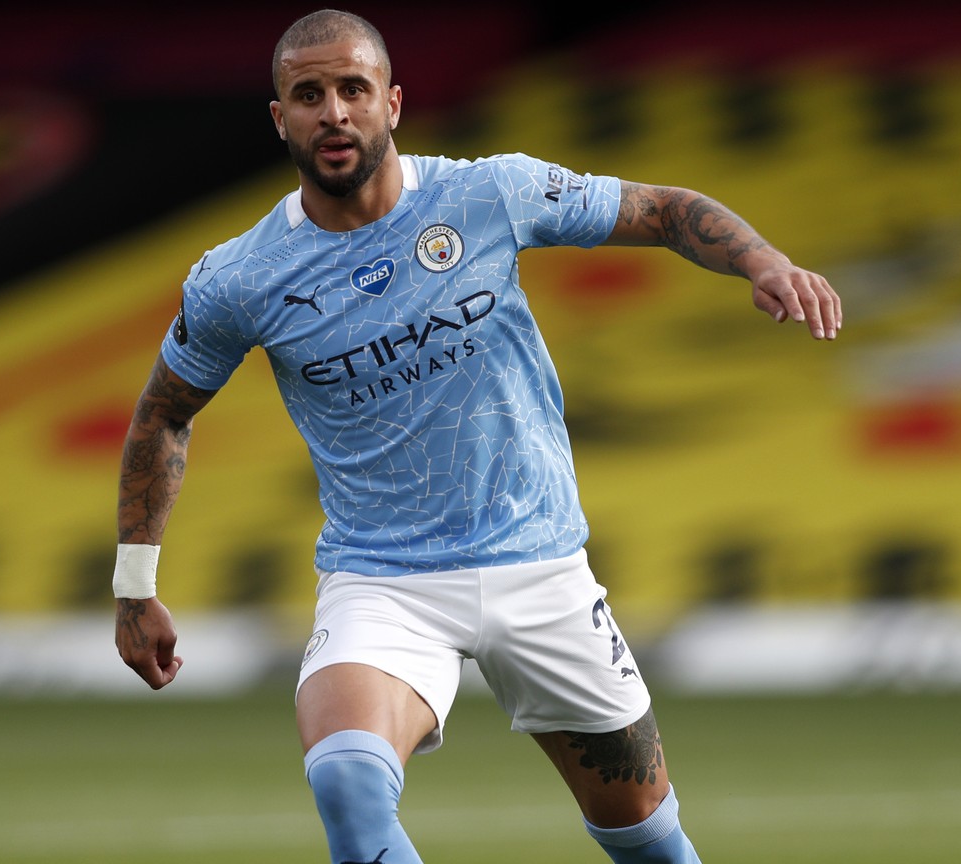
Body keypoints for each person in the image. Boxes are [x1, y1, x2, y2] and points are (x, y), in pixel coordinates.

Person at [112, 8, 841, 863]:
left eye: (353, 89)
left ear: (392, 101)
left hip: (541, 565)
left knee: (644, 835)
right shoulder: (240, 278)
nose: (334, 112)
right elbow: (163, 412)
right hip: (384, 582)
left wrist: (763, 261)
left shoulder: (487, 194)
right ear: (281, 120)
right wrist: (135, 584)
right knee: (346, 781)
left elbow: (666, 210)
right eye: (308, 95)